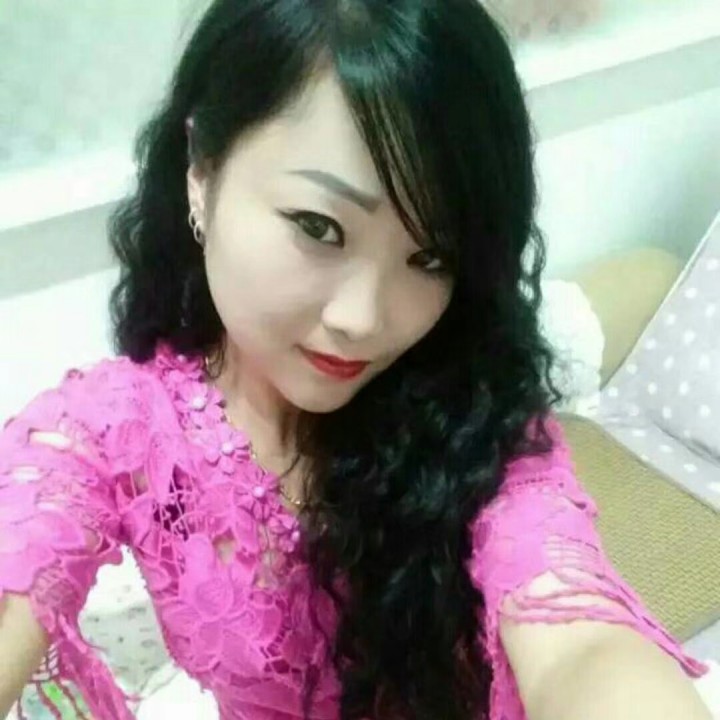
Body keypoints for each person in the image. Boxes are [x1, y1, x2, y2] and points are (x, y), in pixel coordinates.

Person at [0, 1, 711, 719]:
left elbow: (577, 633)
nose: (363, 320)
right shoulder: (112, 433)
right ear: (202, 172)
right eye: (320, 227)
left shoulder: (470, 413)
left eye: (430, 257)